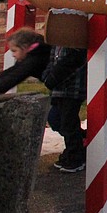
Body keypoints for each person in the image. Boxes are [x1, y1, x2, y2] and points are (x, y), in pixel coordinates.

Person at [42, 44, 88, 172]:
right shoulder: (57, 44)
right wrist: (48, 76)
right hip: (58, 89)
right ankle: (80, 142)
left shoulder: (76, 43)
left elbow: (73, 62)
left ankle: (75, 156)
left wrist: (54, 77)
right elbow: (52, 61)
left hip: (73, 89)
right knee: (55, 119)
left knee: (69, 123)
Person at [0, 27, 50, 96]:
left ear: (25, 47)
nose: (13, 55)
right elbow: (14, 69)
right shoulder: (34, 53)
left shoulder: (35, 58)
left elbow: (17, 75)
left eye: (14, 51)